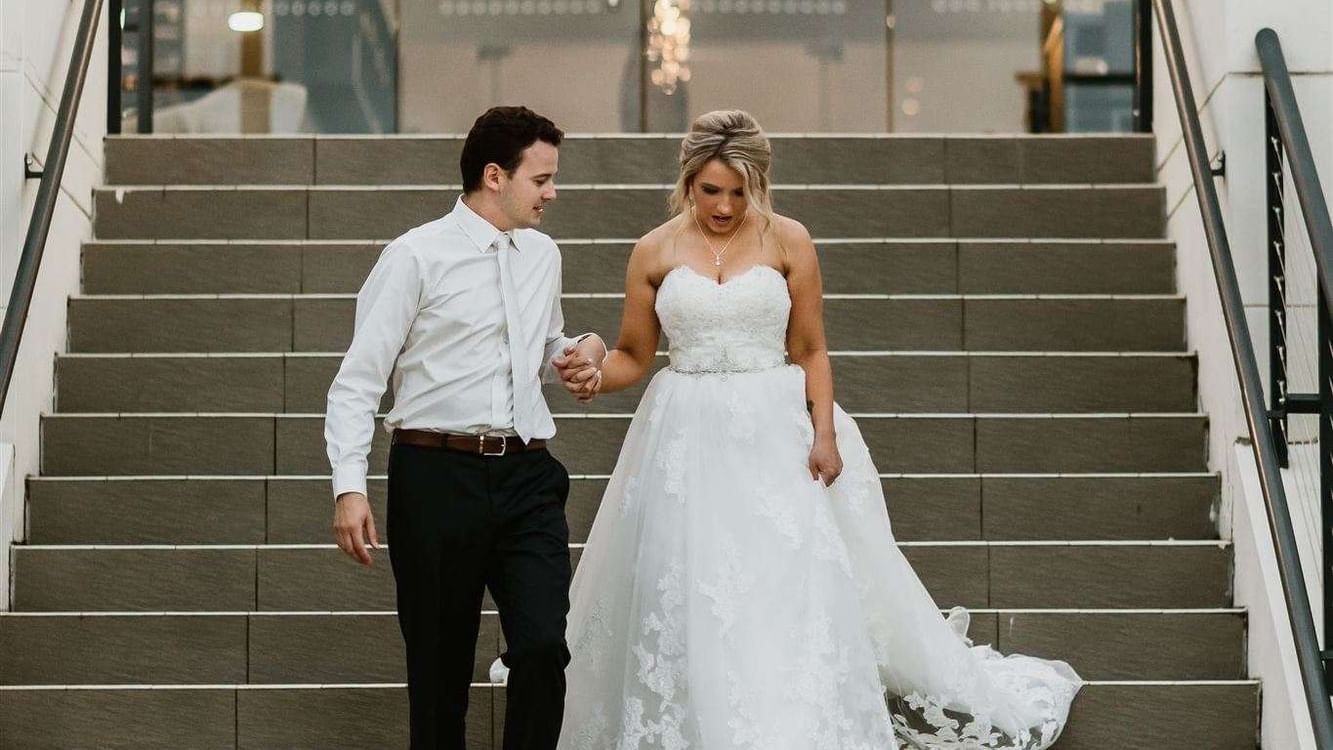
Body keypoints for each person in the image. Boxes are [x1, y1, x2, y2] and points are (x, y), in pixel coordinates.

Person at [552, 110, 1083, 748]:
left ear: (759, 184)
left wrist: (823, 433)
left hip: (775, 430)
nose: (724, 206)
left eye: (739, 191)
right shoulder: (655, 249)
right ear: (688, 181)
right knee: (693, 586)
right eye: (710, 190)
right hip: (683, 440)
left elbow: (811, 350)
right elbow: (633, 356)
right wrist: (589, 374)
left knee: (782, 581)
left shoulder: (789, 241)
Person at [324, 105, 606, 750]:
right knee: (439, 672)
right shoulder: (413, 257)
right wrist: (349, 486)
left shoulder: (543, 256)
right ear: (495, 176)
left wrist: (582, 351)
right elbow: (358, 382)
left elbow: (544, 347)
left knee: (542, 647)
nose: (552, 193)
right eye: (542, 179)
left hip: (527, 476)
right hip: (434, 477)